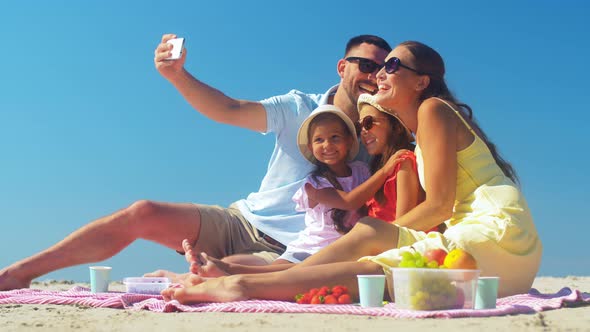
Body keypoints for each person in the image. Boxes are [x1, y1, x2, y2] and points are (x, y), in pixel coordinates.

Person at [159, 40, 542, 304]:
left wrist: (389, 236)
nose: (381, 74)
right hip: (486, 254)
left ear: (422, 82)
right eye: (378, 66)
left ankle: (243, 285)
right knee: (371, 233)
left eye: (393, 66)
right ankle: (239, 280)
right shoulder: (419, 132)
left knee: (373, 255)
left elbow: (440, 207)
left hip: (496, 237)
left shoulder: (433, 110)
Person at [0, 34, 392, 291]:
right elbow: (229, 108)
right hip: (244, 219)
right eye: (365, 65)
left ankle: (181, 277)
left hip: (292, 252)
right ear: (343, 67)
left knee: (219, 270)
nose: (372, 75)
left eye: (382, 67)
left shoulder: (379, 136)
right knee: (143, 211)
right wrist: (177, 75)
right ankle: (19, 273)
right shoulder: (298, 107)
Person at [187, 99, 421, 277]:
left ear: (350, 141)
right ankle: (221, 268)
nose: (327, 145)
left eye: (335, 137)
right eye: (319, 140)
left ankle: (219, 271)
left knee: (280, 277)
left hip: (344, 247)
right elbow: (350, 201)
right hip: (312, 246)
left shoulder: (361, 170)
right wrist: (386, 170)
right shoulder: (313, 185)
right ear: (311, 146)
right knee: (275, 274)